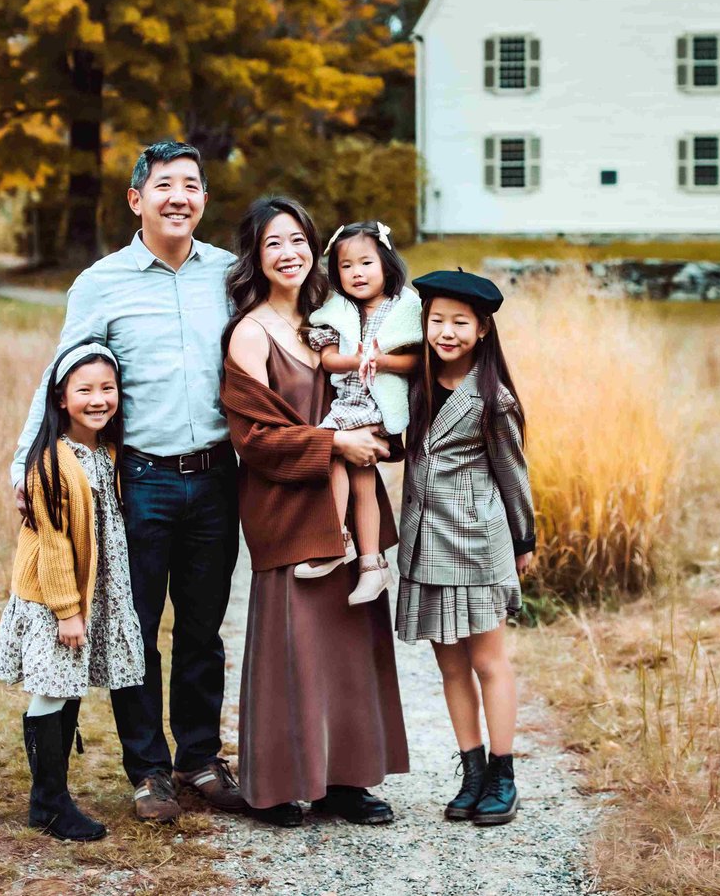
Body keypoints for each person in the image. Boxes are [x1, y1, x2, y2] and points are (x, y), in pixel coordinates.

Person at [8, 140, 244, 822]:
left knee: (202, 628)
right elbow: (60, 373)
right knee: (134, 626)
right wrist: (28, 457)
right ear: (137, 199)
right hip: (137, 478)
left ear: (203, 199)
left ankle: (199, 757)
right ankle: (148, 770)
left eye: (192, 185)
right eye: (164, 184)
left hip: (215, 476)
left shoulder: (229, 274)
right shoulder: (101, 281)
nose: (180, 196)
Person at [219, 196, 411, 826]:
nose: (289, 253)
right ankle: (277, 785)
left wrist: (381, 439)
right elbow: (256, 440)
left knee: (349, 639)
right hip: (287, 500)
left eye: (299, 240)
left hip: (351, 505)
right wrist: (333, 444)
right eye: (274, 243)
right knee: (292, 641)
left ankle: (346, 782)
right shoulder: (250, 333)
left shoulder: (334, 322)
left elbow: (386, 389)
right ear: (256, 254)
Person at [397, 269, 538, 826]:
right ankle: (473, 772)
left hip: (479, 542)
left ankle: (503, 775)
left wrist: (523, 539)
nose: (446, 332)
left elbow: (513, 472)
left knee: (487, 661)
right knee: (450, 667)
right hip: (425, 543)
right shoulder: (416, 384)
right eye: (436, 321)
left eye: (460, 322)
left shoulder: (493, 398)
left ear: (482, 329)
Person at [0, 341, 144, 841]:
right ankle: (48, 804)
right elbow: (55, 545)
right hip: (54, 598)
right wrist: (67, 611)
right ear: (60, 399)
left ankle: (53, 796)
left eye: (108, 388)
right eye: (85, 390)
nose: (98, 399)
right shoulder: (52, 463)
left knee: (66, 686)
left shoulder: (106, 452)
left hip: (87, 593)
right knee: (53, 686)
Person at [299, 220, 423, 605]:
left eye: (366, 263)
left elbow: (418, 362)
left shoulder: (403, 307)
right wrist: (354, 359)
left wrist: (382, 361)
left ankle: (335, 541)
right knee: (363, 483)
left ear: (386, 263)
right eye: (346, 266)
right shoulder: (338, 311)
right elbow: (328, 360)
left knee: (329, 448)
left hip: (378, 406)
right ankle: (371, 564)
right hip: (349, 403)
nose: (357, 273)